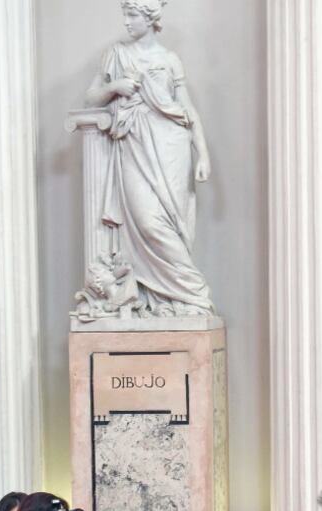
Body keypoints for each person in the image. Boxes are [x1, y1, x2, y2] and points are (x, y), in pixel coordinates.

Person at [85, 0, 215, 317]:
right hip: (132, 142)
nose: (126, 22)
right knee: (146, 220)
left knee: (171, 222)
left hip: (171, 145)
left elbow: (186, 109)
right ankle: (190, 290)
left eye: (132, 15)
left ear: (149, 17)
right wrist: (115, 86)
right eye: (125, 14)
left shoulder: (170, 60)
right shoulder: (115, 54)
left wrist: (203, 154)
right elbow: (92, 97)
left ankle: (186, 298)